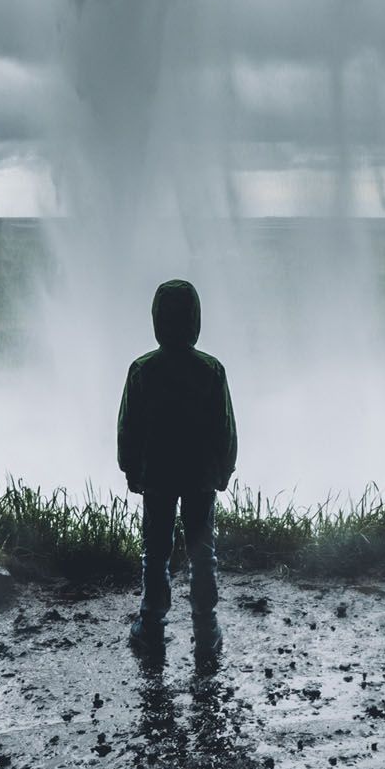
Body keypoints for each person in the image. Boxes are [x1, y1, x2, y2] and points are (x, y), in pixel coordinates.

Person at [117, 278, 237, 659]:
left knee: (156, 551)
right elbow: (225, 427)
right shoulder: (211, 370)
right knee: (203, 552)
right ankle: (206, 628)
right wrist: (224, 469)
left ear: (157, 320)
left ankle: (151, 624)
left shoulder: (141, 370)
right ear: (195, 320)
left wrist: (130, 469)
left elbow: (128, 429)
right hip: (201, 478)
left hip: (157, 477)